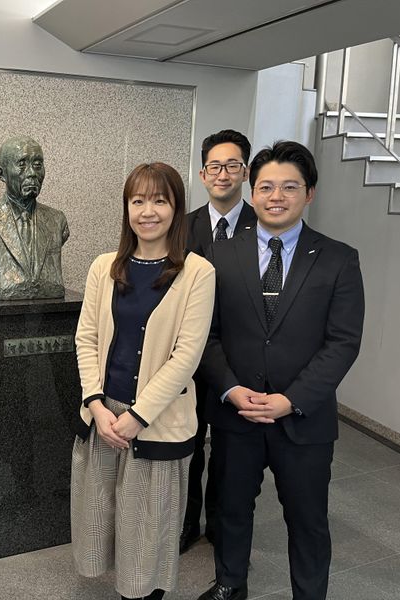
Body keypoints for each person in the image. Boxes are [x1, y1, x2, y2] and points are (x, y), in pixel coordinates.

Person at [196, 141, 365, 600]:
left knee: (308, 519)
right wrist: (230, 389)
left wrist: (292, 399)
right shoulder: (220, 254)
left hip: (304, 419)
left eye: (290, 186)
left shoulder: (338, 258)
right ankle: (230, 584)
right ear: (252, 192)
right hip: (236, 414)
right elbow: (203, 335)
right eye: (266, 186)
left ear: (309, 193)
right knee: (230, 510)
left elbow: (343, 343)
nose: (276, 196)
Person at [71, 162, 216, 600]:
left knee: (147, 532)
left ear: (176, 208)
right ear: (126, 208)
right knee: (101, 521)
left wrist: (137, 416)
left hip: (156, 421)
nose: (147, 211)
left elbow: (185, 357)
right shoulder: (104, 266)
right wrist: (96, 405)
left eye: (159, 200)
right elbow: (87, 339)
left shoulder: (197, 273)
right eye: (138, 201)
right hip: (102, 415)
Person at [181, 129, 258, 554]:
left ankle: (220, 525)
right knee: (188, 446)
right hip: (189, 361)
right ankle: (187, 523)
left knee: (230, 454)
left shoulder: (262, 226)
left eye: (233, 165)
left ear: (245, 172)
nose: (223, 173)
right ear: (203, 173)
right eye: (215, 166)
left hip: (237, 362)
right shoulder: (183, 225)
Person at [0, 135, 70, 300]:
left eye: (37, 164)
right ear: (2, 174)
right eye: (22, 164)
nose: (32, 173)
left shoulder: (57, 220)